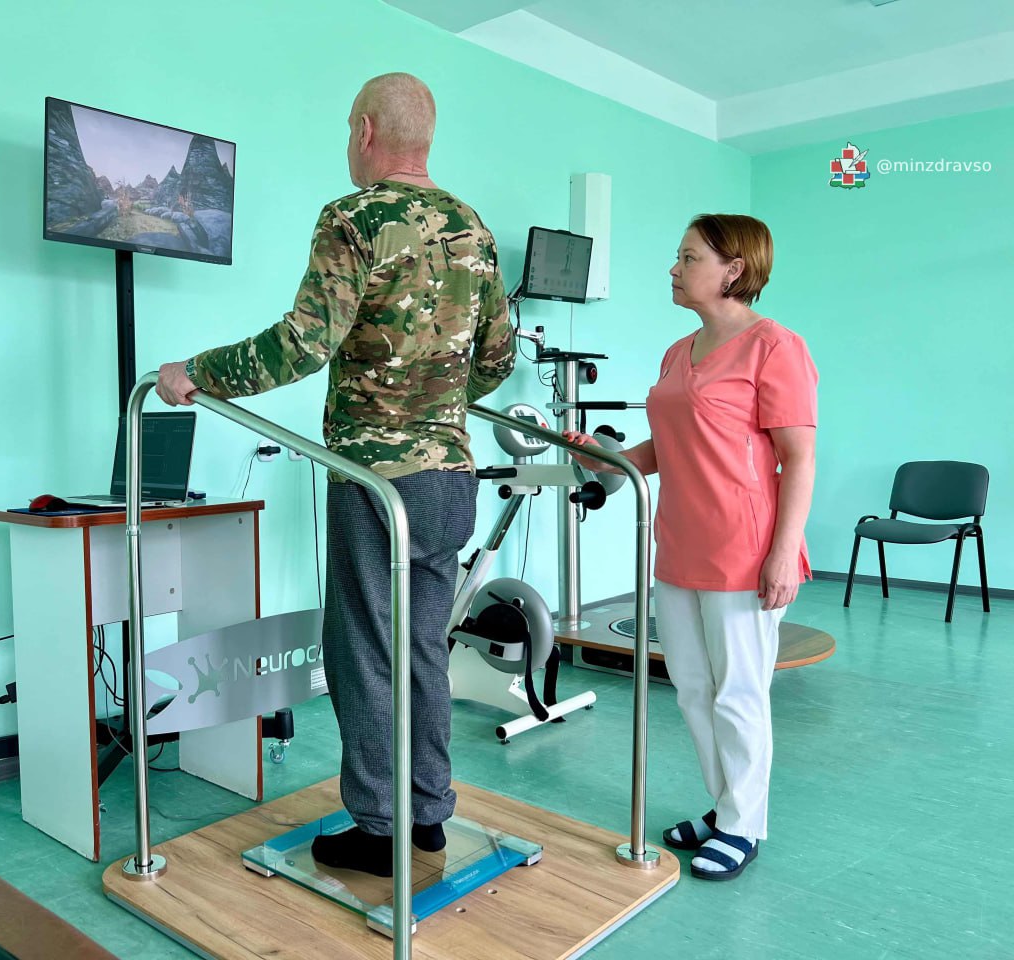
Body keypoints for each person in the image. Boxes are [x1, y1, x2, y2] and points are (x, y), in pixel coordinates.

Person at [154, 72, 514, 877]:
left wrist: (195, 372)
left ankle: (380, 829)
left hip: (378, 482)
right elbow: (495, 359)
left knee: (361, 649)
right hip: (451, 476)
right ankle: (427, 814)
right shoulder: (475, 228)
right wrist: (432, 403)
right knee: (422, 647)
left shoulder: (355, 217)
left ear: (365, 132)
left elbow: (303, 344)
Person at [566, 214, 817, 881]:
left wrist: (782, 554)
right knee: (692, 689)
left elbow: (799, 458)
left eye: (688, 257)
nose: (674, 269)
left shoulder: (775, 347)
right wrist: (608, 460)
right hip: (680, 541)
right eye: (677, 257)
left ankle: (743, 824)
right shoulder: (680, 351)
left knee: (738, 693)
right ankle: (727, 804)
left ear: (734, 269)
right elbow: (669, 445)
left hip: (745, 546)